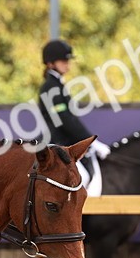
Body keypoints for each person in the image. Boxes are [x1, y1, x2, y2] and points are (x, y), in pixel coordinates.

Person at [38, 39, 110, 175]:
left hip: (65, 146)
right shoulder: (50, 87)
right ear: (50, 63)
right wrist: (90, 142)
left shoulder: (58, 85)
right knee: (83, 178)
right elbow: (64, 119)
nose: (67, 64)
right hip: (57, 147)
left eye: (68, 61)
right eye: (63, 61)